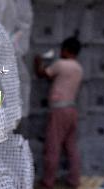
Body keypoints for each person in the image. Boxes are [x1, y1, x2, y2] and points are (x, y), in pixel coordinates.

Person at [34, 37, 83, 189]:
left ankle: (48, 182)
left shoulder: (61, 64)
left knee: (52, 146)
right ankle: (74, 181)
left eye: (62, 49)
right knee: (71, 147)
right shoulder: (79, 68)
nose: (60, 52)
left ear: (66, 50)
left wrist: (37, 61)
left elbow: (43, 74)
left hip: (59, 110)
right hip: (72, 110)